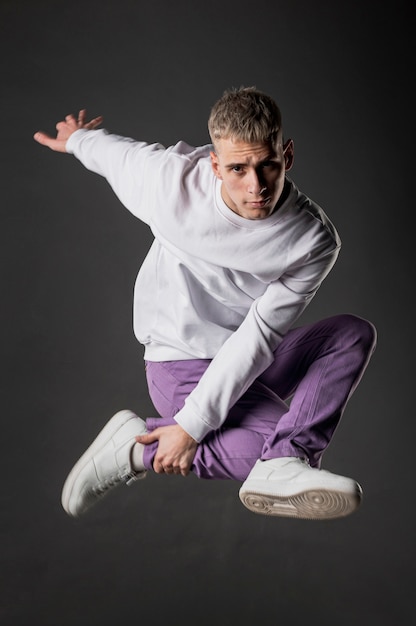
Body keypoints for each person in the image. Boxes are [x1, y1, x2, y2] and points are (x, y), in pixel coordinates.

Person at [34, 87, 376, 521]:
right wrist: (79, 139)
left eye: (267, 164)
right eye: (237, 169)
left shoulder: (311, 239)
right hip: (178, 363)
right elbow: (117, 155)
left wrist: (195, 428)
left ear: (286, 155)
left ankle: (277, 460)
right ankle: (140, 448)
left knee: (352, 334)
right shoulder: (170, 183)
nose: (256, 187)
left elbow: (260, 335)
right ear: (215, 165)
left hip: (243, 357)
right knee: (270, 452)